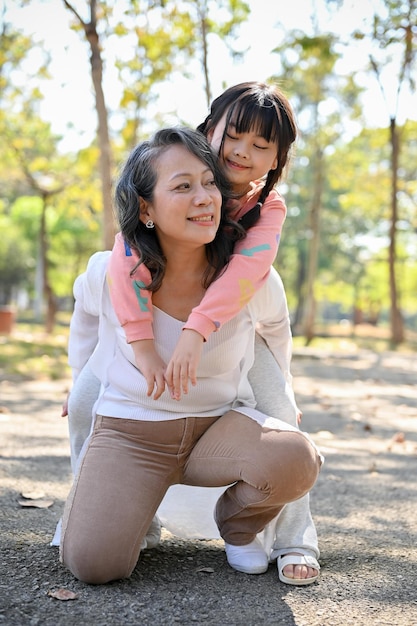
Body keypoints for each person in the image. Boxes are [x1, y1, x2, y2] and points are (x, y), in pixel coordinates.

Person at [59, 127, 321, 585]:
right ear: (145, 208)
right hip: (131, 435)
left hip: (215, 432)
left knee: (297, 456)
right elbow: (85, 320)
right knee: (93, 566)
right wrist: (80, 377)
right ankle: (133, 514)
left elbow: (277, 332)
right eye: (182, 186)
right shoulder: (111, 271)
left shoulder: (247, 279)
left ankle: (238, 526)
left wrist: (284, 395)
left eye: (209, 183)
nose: (205, 198)